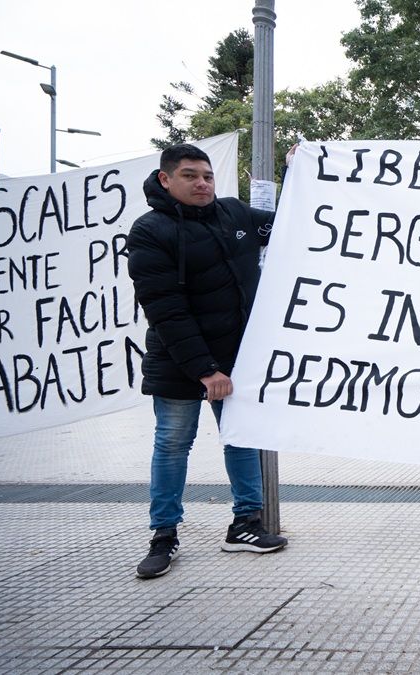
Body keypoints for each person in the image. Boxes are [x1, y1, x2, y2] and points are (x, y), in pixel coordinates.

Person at [127, 143, 287, 579]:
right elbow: (165, 309)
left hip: (236, 358)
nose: (202, 183)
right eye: (190, 176)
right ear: (165, 179)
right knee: (172, 444)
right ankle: (163, 534)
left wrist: (299, 171)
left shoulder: (234, 213)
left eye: (207, 176)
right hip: (180, 361)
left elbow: (291, 222)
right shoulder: (150, 231)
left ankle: (246, 523)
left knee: (242, 438)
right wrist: (204, 369)